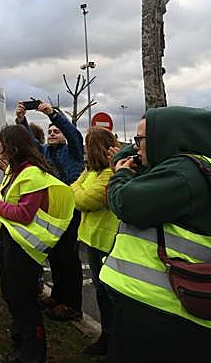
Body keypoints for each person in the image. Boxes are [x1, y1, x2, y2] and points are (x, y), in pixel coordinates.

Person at [100, 107, 211, 363]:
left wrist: (121, 175)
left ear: (166, 138)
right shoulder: (190, 168)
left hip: (163, 310)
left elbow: (127, 203)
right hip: (172, 303)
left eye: (140, 140)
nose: (135, 147)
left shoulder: (184, 171)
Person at [0, 125, 75, 362]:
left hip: (24, 250)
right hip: (11, 242)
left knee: (24, 303)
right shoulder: (14, 172)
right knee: (12, 297)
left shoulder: (32, 174)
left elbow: (24, 214)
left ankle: (32, 354)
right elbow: (10, 201)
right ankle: (20, 345)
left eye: (1, 144)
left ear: (12, 147)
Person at [16, 100, 84, 320]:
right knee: (55, 256)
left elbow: (74, 135)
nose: (53, 133)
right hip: (51, 212)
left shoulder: (72, 151)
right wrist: (21, 120)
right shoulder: (44, 151)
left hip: (71, 211)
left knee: (69, 258)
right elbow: (29, 142)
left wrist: (53, 114)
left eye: (57, 131)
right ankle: (57, 296)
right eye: (50, 131)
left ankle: (72, 304)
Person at [72, 127, 119, 356]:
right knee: (101, 292)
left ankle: (115, 339)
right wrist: (78, 191)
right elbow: (75, 190)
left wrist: (78, 191)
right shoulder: (90, 172)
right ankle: (107, 336)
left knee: (110, 294)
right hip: (91, 239)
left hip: (107, 241)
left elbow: (85, 200)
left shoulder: (111, 174)